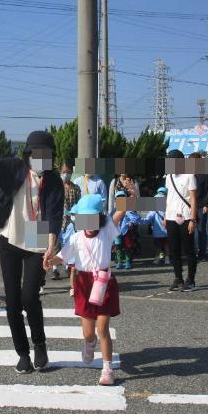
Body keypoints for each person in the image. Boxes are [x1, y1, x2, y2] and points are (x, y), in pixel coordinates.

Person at [0, 107, 64, 374]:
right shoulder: (14, 168)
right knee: (12, 300)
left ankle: (40, 344)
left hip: (36, 238)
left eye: (46, 155)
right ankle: (22, 353)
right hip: (11, 238)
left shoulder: (54, 181)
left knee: (29, 297)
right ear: (29, 154)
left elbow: (55, 216)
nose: (41, 159)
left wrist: (50, 247)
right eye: (36, 154)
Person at [47, 193, 125, 386]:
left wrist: (132, 194)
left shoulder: (107, 229)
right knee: (89, 333)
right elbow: (62, 257)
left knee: (102, 329)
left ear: (99, 217)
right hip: (84, 284)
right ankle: (89, 343)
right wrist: (50, 261)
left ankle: (107, 368)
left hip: (104, 281)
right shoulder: (75, 238)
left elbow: (122, 211)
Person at [164, 149, 199, 292]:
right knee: (174, 250)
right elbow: (169, 198)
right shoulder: (169, 177)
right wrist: (165, 217)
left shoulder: (190, 176)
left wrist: (193, 219)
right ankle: (178, 278)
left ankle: (191, 280)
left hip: (186, 217)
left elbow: (193, 198)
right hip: (171, 217)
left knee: (189, 250)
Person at [51, 161, 81, 281]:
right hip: (58, 221)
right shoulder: (55, 187)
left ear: (71, 173)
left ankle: (69, 267)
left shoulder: (76, 188)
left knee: (70, 245)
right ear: (60, 172)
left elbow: (79, 204)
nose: (65, 174)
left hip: (72, 222)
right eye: (63, 172)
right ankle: (54, 269)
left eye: (68, 172)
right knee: (55, 245)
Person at [113, 191, 141, 270]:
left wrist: (131, 222)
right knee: (118, 246)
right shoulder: (114, 210)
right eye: (118, 199)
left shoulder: (128, 210)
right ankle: (119, 261)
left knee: (127, 246)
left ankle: (128, 261)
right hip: (116, 232)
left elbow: (135, 218)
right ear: (115, 201)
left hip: (127, 231)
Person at [142, 186, 169, 265]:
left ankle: (158, 257)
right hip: (166, 229)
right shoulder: (168, 205)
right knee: (166, 244)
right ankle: (167, 258)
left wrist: (141, 221)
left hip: (157, 230)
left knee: (158, 245)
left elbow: (149, 217)